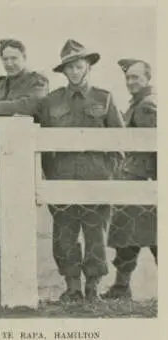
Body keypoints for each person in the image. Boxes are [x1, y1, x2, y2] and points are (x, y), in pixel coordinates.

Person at [0, 39, 125, 302]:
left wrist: (107, 173)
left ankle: (93, 286)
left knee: (96, 233)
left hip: (96, 179)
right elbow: (36, 129)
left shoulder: (105, 97)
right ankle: (73, 285)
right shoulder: (52, 101)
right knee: (64, 234)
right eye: (70, 68)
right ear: (63, 72)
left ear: (87, 67)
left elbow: (121, 142)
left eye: (79, 66)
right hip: (61, 178)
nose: (75, 72)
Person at [0, 38, 49, 305]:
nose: (9, 63)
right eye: (5, 59)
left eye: (13, 58)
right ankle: (0, 287)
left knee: (19, 224)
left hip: (22, 165)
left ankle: (21, 288)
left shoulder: (36, 80)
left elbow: (34, 105)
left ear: (24, 57)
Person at [102, 58, 157, 300]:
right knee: (129, 236)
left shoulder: (147, 106)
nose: (131, 82)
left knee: (151, 237)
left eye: (136, 77)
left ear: (148, 78)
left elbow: (155, 147)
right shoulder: (138, 103)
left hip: (142, 182)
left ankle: (121, 287)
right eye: (128, 77)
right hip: (134, 180)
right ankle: (121, 287)